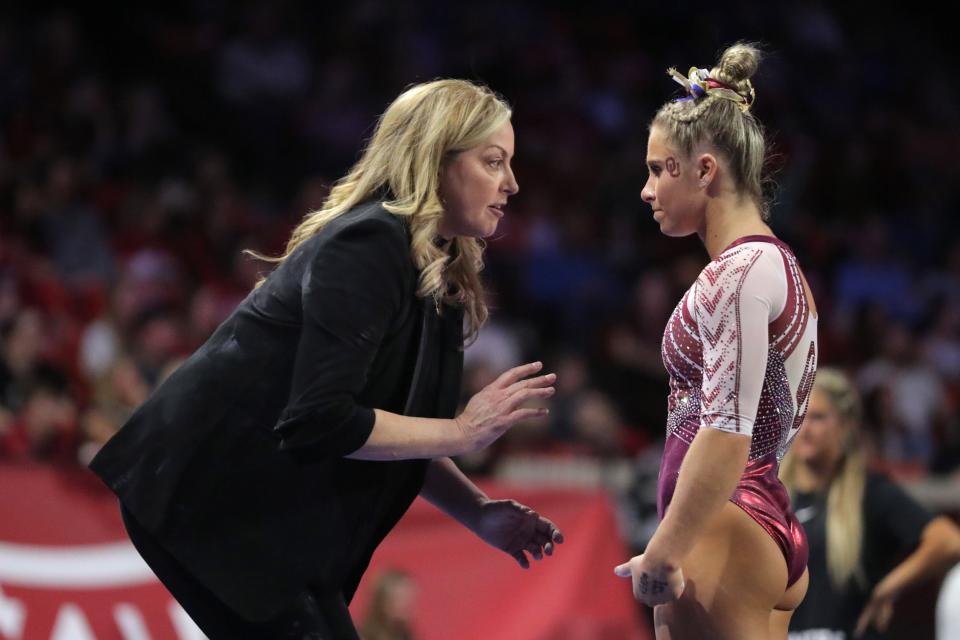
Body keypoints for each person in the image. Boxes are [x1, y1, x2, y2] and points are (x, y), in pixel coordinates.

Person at [89, 79, 563, 639]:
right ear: (436, 158)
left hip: (258, 511)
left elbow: (385, 422)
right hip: (206, 501)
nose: (511, 183)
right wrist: (462, 431)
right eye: (493, 161)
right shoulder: (368, 244)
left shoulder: (433, 267)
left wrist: (476, 509)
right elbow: (323, 419)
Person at [613, 43, 819, 638]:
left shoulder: (739, 273)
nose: (648, 191)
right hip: (759, 519)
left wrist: (665, 550)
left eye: (659, 170)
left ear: (705, 169)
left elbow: (728, 428)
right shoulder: (774, 264)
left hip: (722, 526)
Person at [780, 368, 960, 639]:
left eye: (817, 418)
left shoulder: (869, 493)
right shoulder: (776, 496)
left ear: (845, 424)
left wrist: (888, 588)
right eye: (799, 417)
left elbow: (947, 540)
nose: (805, 429)